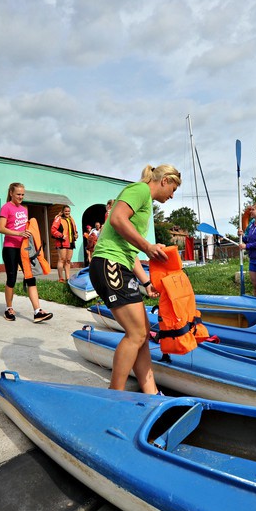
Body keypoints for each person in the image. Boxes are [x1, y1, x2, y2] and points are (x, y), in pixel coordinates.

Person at [89, 164, 181, 393]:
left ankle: (151, 392)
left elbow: (130, 252)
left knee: (142, 333)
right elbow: (118, 219)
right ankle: (115, 395)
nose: (172, 195)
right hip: (109, 264)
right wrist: (148, 246)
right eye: (173, 188)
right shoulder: (139, 190)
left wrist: (147, 282)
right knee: (137, 333)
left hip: (121, 264)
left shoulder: (146, 202)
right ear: (164, 181)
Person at [0, 182, 54, 324]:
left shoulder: (24, 209)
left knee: (31, 277)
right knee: (11, 278)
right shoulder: (6, 207)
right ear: (11, 193)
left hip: (25, 249)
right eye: (18, 194)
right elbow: (1, 228)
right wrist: (19, 233)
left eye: (23, 194)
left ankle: (37, 311)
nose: (21, 197)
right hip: (10, 248)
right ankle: (9, 308)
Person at [51, 205, 78, 283]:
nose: (67, 212)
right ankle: (61, 278)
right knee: (62, 260)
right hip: (61, 242)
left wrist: (76, 235)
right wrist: (61, 236)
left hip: (70, 242)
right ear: (62, 211)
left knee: (68, 260)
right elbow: (53, 230)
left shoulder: (71, 219)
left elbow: (75, 229)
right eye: (66, 211)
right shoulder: (58, 219)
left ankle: (68, 278)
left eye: (68, 211)